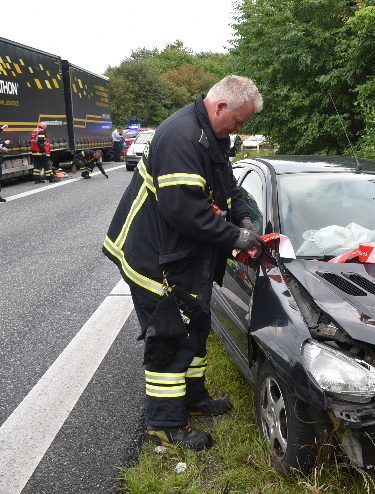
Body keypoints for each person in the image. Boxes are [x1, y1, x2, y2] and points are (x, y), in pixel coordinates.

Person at [102, 75, 264, 450]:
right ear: (220, 106)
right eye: (238, 121)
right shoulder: (181, 137)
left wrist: (241, 215)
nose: (240, 128)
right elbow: (185, 212)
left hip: (180, 253)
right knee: (170, 337)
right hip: (154, 257)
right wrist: (234, 238)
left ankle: (194, 399)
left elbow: (228, 186)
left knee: (197, 325)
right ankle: (165, 424)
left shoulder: (214, 135)